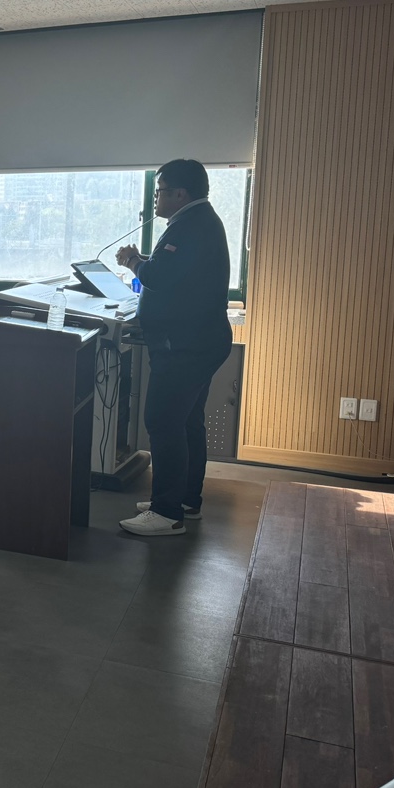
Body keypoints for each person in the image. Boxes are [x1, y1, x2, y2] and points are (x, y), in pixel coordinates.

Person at [115, 159, 232, 538]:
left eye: (160, 190)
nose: (155, 199)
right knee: (186, 422)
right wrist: (145, 263)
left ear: (180, 194)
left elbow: (160, 277)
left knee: (164, 422)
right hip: (199, 342)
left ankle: (166, 513)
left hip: (185, 347)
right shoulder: (197, 222)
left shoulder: (190, 225)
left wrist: (133, 260)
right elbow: (176, 273)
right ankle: (184, 500)